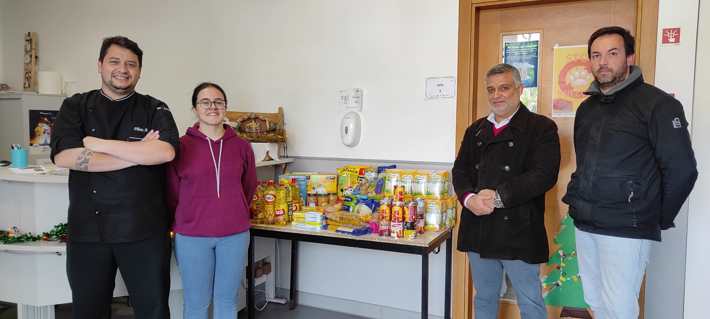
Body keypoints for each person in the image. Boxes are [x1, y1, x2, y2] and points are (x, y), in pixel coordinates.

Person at [562, 26, 698, 319]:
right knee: (594, 301)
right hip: (585, 222)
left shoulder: (658, 105)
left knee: (620, 306)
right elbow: (585, 164)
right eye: (596, 55)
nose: (603, 62)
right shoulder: (587, 108)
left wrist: (655, 215)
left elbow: (683, 170)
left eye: (612, 53)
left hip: (626, 226)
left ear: (629, 57)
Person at [51, 36, 179, 319]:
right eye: (115, 61)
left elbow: (165, 152)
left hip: (144, 229)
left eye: (131, 64)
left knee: (154, 311)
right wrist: (137, 153)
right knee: (88, 311)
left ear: (139, 71)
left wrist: (97, 145)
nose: (123, 69)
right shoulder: (75, 106)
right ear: (99, 65)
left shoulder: (155, 108)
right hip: (88, 231)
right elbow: (65, 157)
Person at [453, 63, 561, 319]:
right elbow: (460, 171)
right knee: (484, 297)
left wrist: (498, 197)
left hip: (519, 230)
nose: (496, 95)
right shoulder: (476, 129)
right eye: (491, 89)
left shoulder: (541, 128)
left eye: (504, 88)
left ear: (520, 89)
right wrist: (469, 199)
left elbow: (543, 176)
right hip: (478, 226)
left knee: (530, 300)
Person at [166, 82, 257, 319]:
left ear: (225, 107)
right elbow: (172, 192)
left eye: (218, 102)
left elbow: (248, 186)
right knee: (196, 303)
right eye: (205, 102)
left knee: (226, 300)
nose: (212, 107)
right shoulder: (180, 146)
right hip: (192, 236)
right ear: (195, 108)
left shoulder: (242, 147)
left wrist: (233, 209)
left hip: (235, 234)